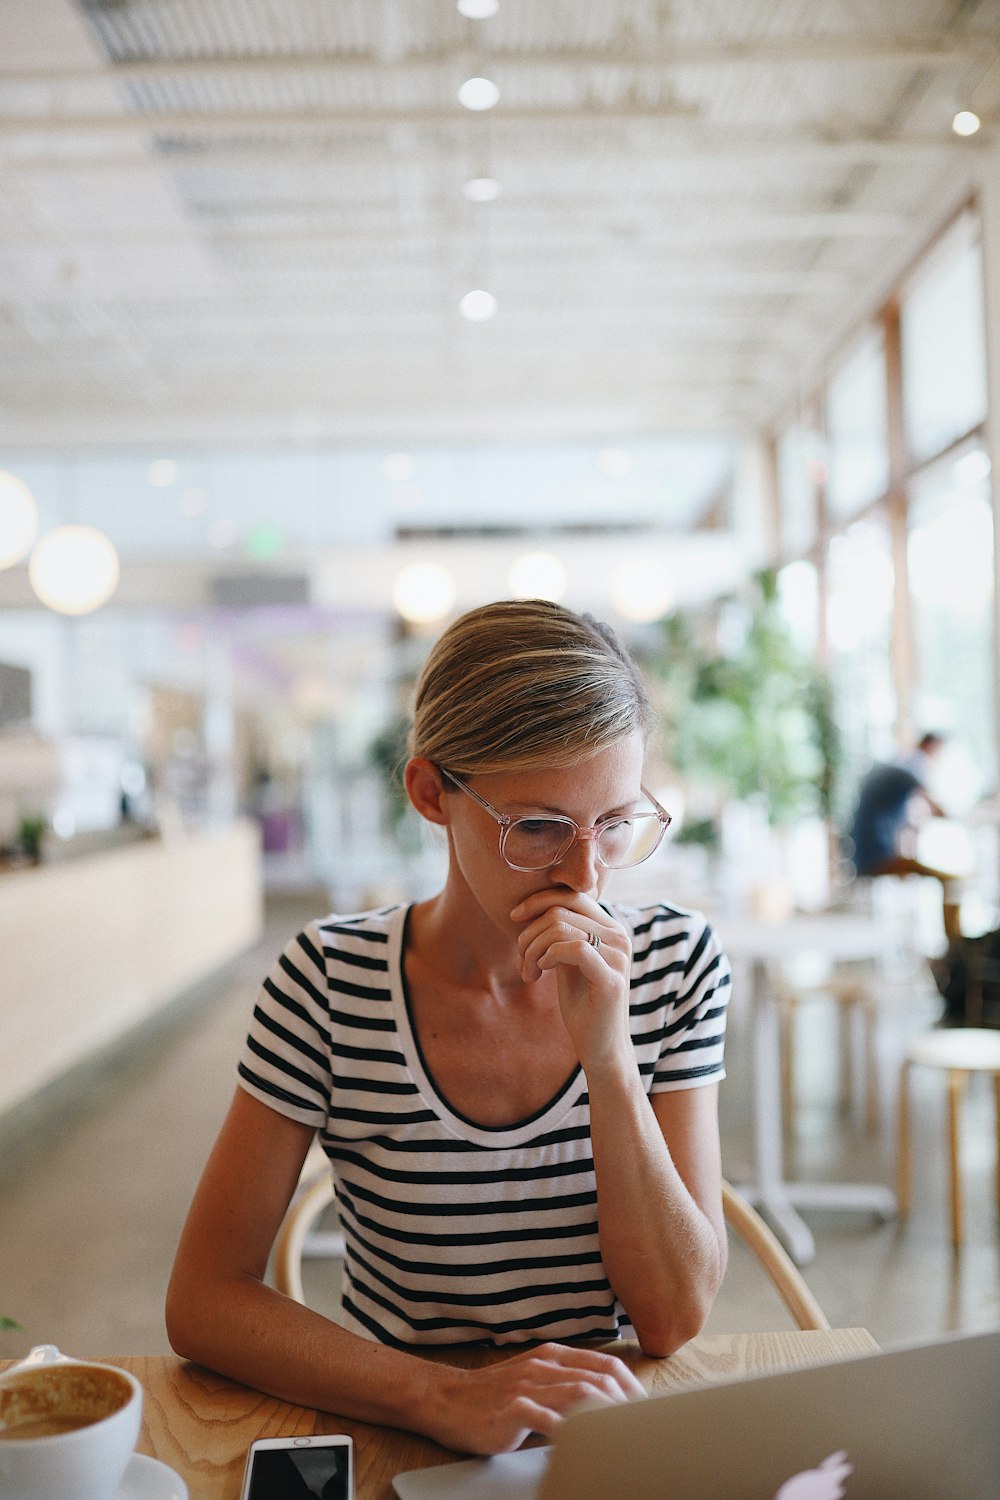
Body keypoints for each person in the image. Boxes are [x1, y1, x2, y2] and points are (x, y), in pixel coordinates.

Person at [166, 598, 731, 1456]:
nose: (586, 875)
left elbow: (672, 1319)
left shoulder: (674, 963)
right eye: (537, 826)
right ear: (431, 793)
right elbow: (204, 1297)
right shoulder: (328, 982)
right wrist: (440, 1395)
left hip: (600, 1430)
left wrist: (609, 1059)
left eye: (614, 824)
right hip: (397, 1424)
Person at [846, 732, 962, 941]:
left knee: (933, 871)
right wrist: (962, 816)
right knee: (952, 881)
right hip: (877, 858)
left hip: (864, 854)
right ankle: (955, 948)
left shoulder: (895, 767)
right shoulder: (914, 766)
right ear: (931, 747)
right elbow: (936, 807)